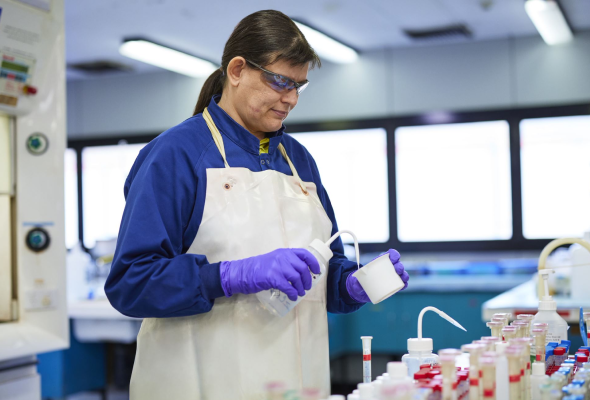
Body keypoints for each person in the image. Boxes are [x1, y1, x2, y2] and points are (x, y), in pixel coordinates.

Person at [105, 9, 409, 400]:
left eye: (299, 85)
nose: (291, 99)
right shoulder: (177, 155)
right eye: (281, 82)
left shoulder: (298, 161)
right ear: (236, 70)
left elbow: (324, 271)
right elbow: (131, 282)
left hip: (299, 385)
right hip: (202, 386)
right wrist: (229, 276)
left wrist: (351, 285)